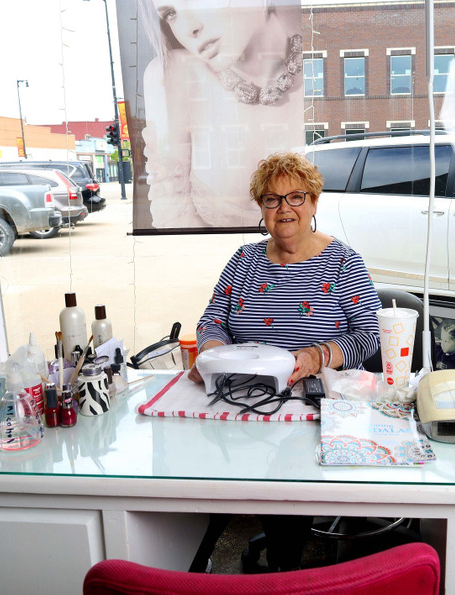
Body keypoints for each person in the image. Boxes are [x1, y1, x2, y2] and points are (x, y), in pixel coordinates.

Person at [188, 152, 382, 571]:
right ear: (261, 207)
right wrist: (211, 353)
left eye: (296, 196)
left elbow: (369, 335)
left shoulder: (343, 261)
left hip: (312, 407)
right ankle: (191, 567)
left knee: (286, 490)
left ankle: (283, 573)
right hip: (243, 402)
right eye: (272, 199)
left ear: (313, 202)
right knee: (198, 474)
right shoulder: (244, 260)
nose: (284, 208)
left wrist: (316, 356)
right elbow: (212, 319)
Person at [139, 0, 304, 229]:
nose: (189, 28)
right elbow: (173, 221)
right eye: (170, 14)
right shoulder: (172, 76)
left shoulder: (320, 67)